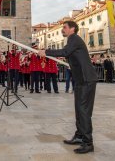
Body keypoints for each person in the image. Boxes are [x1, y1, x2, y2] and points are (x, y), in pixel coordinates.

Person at [39, 20, 97, 154]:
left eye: (64, 27)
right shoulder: (72, 40)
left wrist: (46, 51)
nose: (62, 30)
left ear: (72, 29)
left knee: (84, 111)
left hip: (86, 80)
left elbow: (65, 52)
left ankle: (88, 143)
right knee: (79, 109)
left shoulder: (74, 38)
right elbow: (71, 56)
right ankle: (79, 135)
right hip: (80, 80)